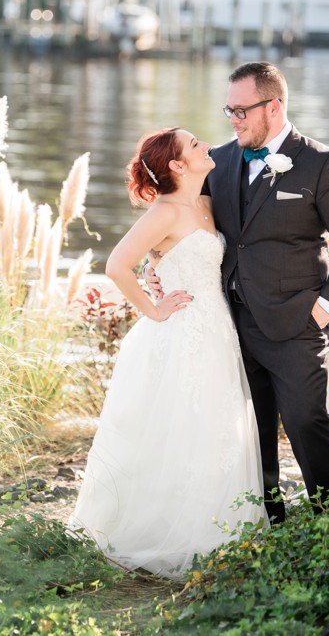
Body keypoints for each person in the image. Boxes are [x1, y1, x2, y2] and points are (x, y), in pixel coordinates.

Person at [146, 62, 329, 522]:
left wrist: (325, 307)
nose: (233, 119)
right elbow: (184, 222)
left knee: (308, 421)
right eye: (228, 109)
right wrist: (155, 265)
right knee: (251, 429)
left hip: (296, 321)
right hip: (228, 320)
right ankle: (267, 519)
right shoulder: (222, 161)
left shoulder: (322, 162)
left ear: (273, 106)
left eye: (241, 110)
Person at [68, 127, 268, 579]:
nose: (205, 147)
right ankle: (167, 531)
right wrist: (153, 309)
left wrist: (154, 266)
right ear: (177, 165)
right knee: (179, 426)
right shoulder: (164, 211)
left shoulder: (205, 201)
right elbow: (116, 264)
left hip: (217, 329)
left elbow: (161, 259)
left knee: (215, 425)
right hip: (179, 332)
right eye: (194, 145)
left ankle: (218, 527)